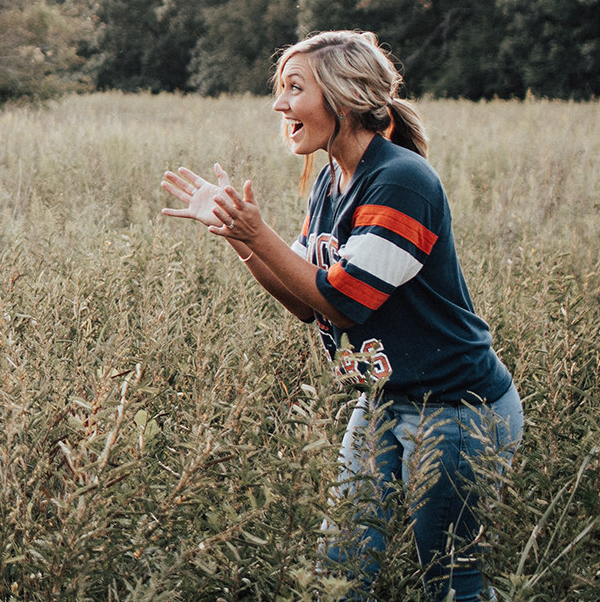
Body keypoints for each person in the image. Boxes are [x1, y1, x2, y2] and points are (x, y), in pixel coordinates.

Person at [158, 30, 521, 602]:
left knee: (453, 584)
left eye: (294, 88)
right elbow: (306, 302)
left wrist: (258, 230)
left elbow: (345, 300)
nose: (279, 105)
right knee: (338, 575)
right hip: (380, 400)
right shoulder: (329, 180)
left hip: (456, 408)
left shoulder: (402, 181)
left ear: (343, 97)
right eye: (280, 89)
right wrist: (237, 235)